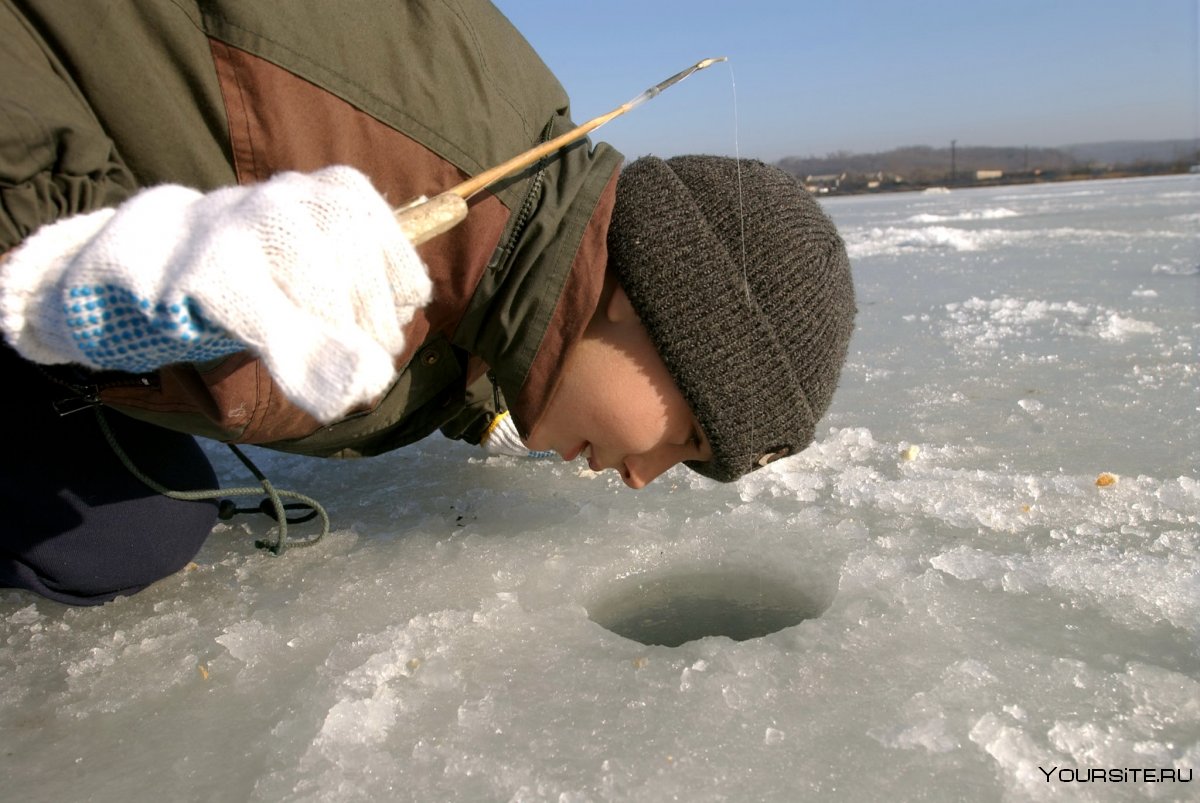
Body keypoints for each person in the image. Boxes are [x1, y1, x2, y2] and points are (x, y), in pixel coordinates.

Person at [0, 0, 856, 605]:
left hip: (70, 353)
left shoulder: (526, 228)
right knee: (112, 543)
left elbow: (474, 293)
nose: (642, 476)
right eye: (686, 438)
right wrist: (67, 260)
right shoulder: (361, 123)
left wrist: (483, 404)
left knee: (130, 535)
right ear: (655, 309)